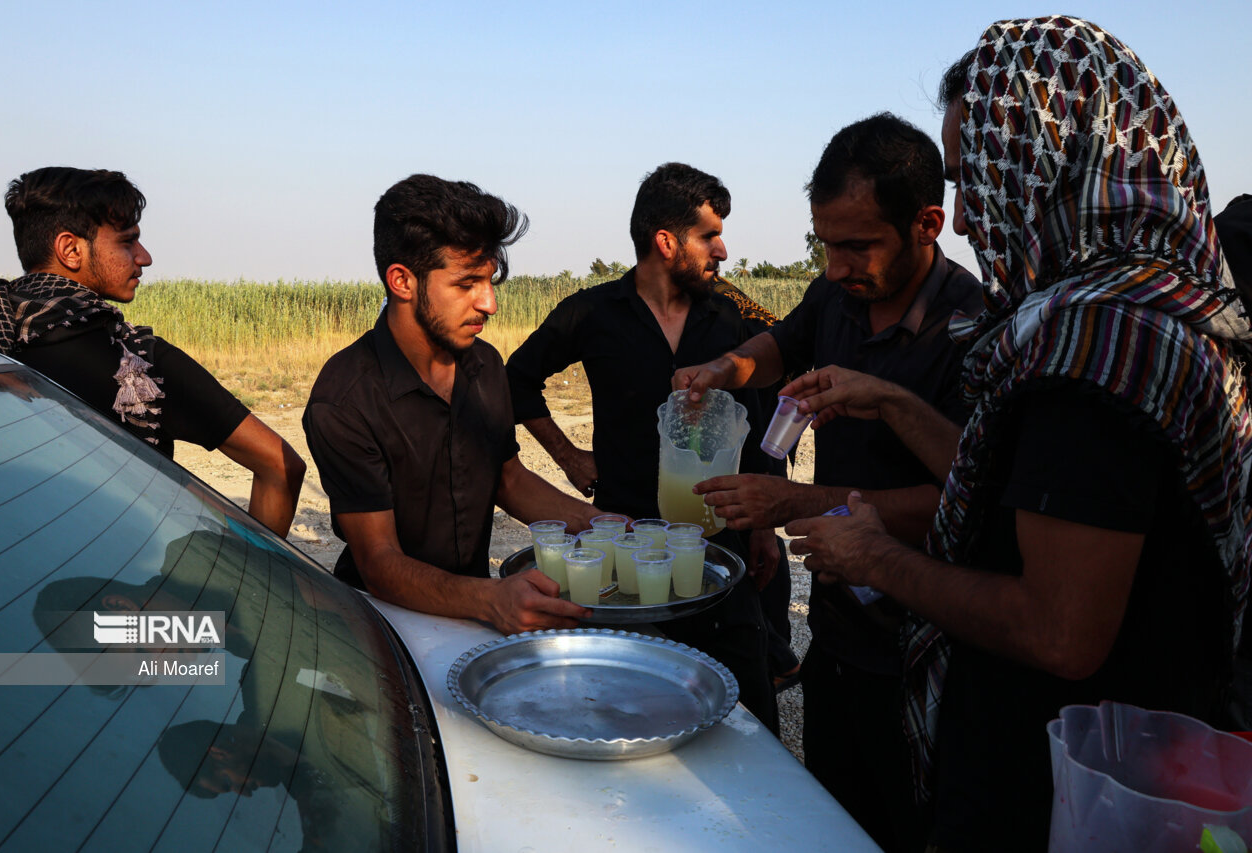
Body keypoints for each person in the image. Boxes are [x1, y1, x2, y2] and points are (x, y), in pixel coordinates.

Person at [777, 17, 1252, 850]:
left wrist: (883, 559)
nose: (964, 218)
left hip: (1055, 790)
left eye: (975, 176)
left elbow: (1059, 629)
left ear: (1051, 158)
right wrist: (891, 403)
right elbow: (1021, 490)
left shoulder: (1099, 344)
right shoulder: (1148, 304)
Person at [671, 114, 982, 851]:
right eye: (826, 245)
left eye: (857, 246)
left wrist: (795, 502)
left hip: (922, 647)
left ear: (927, 223)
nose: (838, 266)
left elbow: (961, 501)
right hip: (837, 630)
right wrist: (723, 371)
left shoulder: (970, 329)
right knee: (833, 819)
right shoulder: (836, 295)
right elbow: (777, 346)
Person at [505, 162, 782, 731]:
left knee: (748, 713)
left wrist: (761, 525)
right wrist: (567, 455)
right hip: (621, 544)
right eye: (710, 235)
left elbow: (755, 421)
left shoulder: (727, 318)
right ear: (666, 241)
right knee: (624, 707)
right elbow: (516, 379)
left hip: (715, 542)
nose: (723, 251)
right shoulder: (591, 312)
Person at [302, 174, 601, 636]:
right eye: (467, 284)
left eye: (490, 281)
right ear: (402, 280)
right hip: (383, 626)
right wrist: (491, 600)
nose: (490, 304)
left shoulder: (485, 365)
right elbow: (379, 562)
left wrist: (598, 523)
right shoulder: (344, 400)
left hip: (475, 611)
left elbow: (508, 478)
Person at [0, 167, 305, 537]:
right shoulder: (137, 362)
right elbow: (280, 464)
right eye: (127, 242)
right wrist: (251, 578)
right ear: (70, 250)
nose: (144, 257)